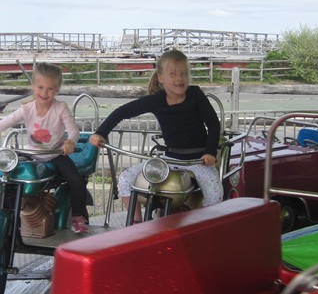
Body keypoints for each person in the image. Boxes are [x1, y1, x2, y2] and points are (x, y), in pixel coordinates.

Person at [89, 49, 222, 222]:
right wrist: (101, 133)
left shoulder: (195, 94)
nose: (179, 78)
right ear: (161, 78)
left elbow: (213, 123)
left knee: (215, 194)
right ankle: (136, 224)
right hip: (170, 159)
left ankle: (204, 227)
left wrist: (210, 152)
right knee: (125, 179)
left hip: (199, 160)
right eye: (173, 74)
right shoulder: (157, 100)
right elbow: (122, 112)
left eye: (184, 73)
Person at [0, 62, 89, 233]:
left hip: (55, 154)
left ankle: (78, 217)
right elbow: (3, 123)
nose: (44, 93)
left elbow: (73, 130)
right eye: (40, 87)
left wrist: (71, 141)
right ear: (33, 86)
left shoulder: (60, 108)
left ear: (57, 89)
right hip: (31, 154)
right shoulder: (27, 108)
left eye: (50, 89)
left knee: (76, 180)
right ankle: (6, 215)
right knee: (6, 177)